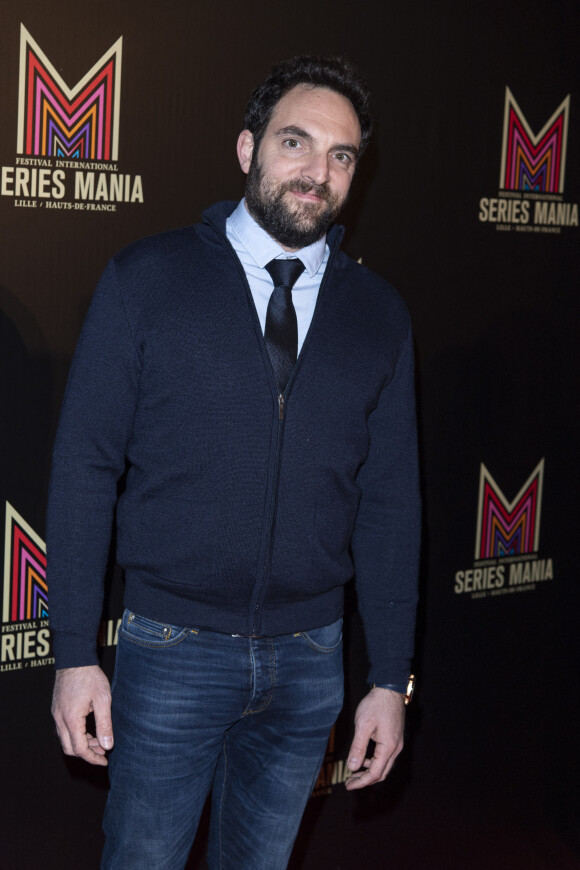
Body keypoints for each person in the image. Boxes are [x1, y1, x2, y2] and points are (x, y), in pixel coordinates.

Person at [48, 55, 421, 870]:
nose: (317, 171)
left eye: (342, 155)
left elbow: (392, 504)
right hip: (170, 648)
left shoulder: (380, 316)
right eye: (296, 142)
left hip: (313, 661)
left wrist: (389, 677)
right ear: (248, 148)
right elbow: (84, 467)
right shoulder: (146, 279)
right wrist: (75, 651)